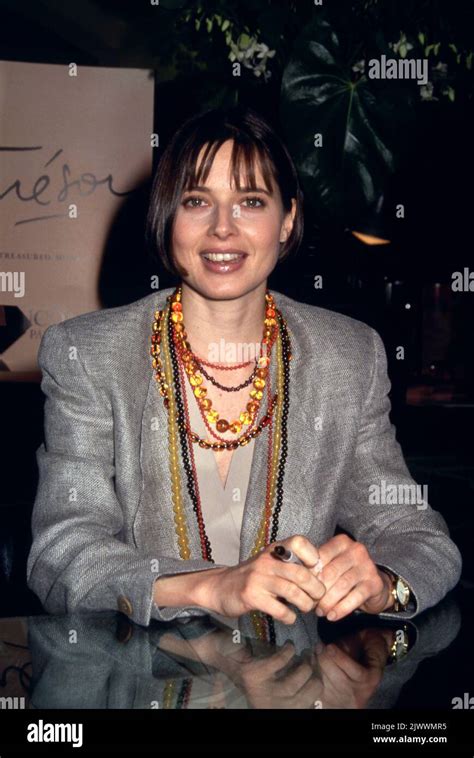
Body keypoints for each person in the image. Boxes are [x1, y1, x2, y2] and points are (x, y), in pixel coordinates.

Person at [27, 105, 462, 630]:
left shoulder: (348, 358)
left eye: (251, 202)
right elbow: (61, 554)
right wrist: (212, 586)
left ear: (288, 220)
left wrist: (381, 583)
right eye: (196, 202)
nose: (222, 229)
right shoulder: (89, 355)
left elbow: (424, 540)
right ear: (167, 217)